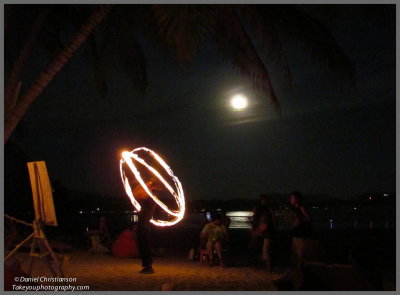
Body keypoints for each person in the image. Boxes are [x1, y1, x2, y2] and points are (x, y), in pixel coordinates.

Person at [133, 177, 163, 274]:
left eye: (150, 183)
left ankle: (148, 266)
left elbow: (139, 195)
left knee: (143, 242)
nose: (147, 183)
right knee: (142, 242)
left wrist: (145, 184)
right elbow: (137, 195)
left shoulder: (151, 195)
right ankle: (147, 265)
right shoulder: (150, 194)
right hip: (144, 221)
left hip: (144, 222)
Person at [252, 194, 276, 272]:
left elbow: (266, 223)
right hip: (264, 232)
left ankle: (268, 268)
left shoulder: (266, 211)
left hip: (267, 233)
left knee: (266, 250)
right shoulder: (265, 210)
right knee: (263, 250)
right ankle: (265, 267)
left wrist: (258, 231)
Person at [289, 191, 311, 268]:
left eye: (292, 198)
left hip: (301, 233)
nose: (291, 200)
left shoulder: (301, 207)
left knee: (300, 253)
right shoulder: (293, 209)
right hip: (295, 233)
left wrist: (300, 220)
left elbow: (308, 218)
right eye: (290, 198)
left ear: (297, 199)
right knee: (295, 252)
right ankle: (297, 268)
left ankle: (300, 268)